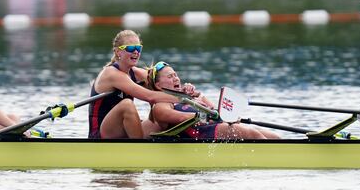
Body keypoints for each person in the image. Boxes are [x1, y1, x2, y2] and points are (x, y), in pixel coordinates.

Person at [143, 61, 280, 139]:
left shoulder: (192, 97)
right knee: (252, 134)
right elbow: (175, 117)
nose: (176, 78)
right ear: (158, 85)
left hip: (216, 127)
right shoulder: (161, 104)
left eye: (176, 75)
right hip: (203, 134)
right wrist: (204, 115)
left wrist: (230, 116)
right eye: (170, 76)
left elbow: (217, 111)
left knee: (273, 136)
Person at [88, 30, 178, 139]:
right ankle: (139, 148)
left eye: (138, 48)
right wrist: (180, 98)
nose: (136, 52)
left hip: (121, 130)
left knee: (157, 123)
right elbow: (149, 96)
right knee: (127, 104)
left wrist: (186, 91)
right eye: (130, 48)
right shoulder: (111, 74)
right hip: (101, 135)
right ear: (118, 52)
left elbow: (163, 85)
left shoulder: (136, 73)